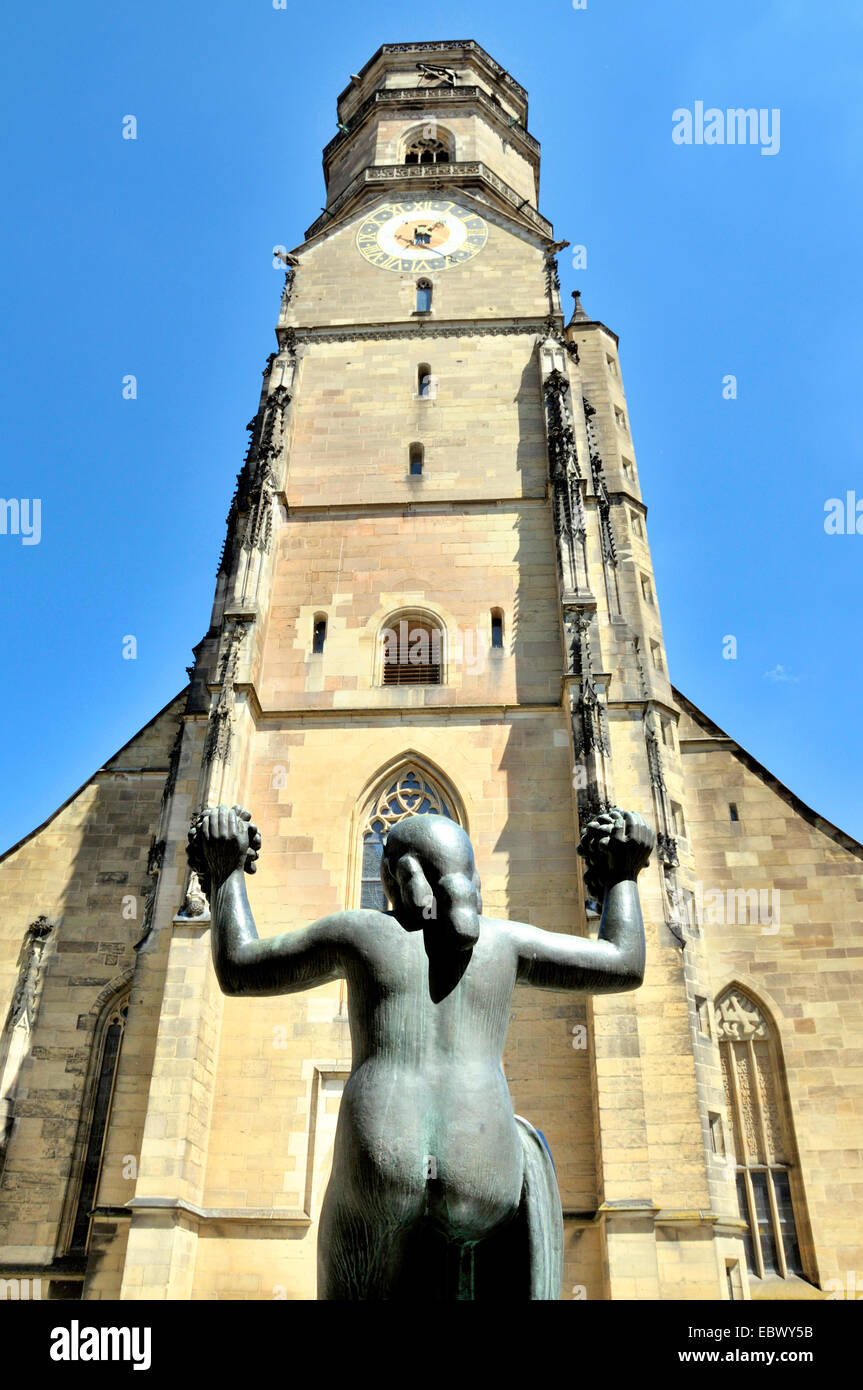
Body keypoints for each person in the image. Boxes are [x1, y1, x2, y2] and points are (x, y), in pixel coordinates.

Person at [188, 802, 654, 1299]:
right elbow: (624, 963)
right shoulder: (507, 942)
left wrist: (224, 872)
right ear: (470, 878)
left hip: (380, 1159)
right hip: (484, 1163)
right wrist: (621, 874)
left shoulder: (360, 933)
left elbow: (239, 968)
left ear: (394, 878)